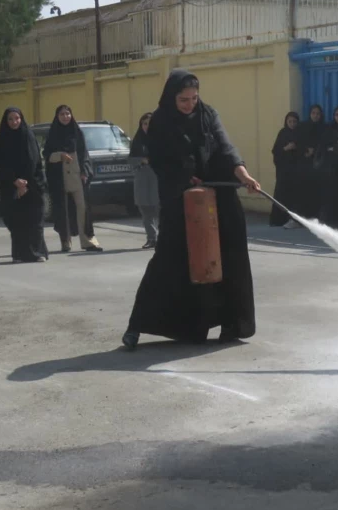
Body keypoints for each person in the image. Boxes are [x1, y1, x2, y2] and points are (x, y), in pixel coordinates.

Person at [122, 69, 260, 351]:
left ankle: (232, 324)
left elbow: (225, 146)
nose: (190, 104)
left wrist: (243, 175)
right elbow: (160, 161)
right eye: (184, 99)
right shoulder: (160, 121)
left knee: (230, 250)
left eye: (194, 98)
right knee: (169, 259)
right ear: (172, 96)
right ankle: (138, 326)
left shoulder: (208, 114)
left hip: (217, 192)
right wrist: (186, 179)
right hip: (179, 197)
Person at [43, 105, 102, 253]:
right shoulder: (52, 134)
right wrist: (59, 156)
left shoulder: (77, 132)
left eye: (68, 113)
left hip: (77, 177)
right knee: (63, 210)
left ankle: (87, 241)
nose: (65, 117)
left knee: (83, 209)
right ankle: (65, 241)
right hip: (60, 178)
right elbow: (47, 155)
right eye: (62, 114)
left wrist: (85, 171)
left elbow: (85, 155)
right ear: (57, 117)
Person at [0, 107, 49, 263]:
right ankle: (19, 254)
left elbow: (33, 161)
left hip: (32, 184)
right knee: (16, 221)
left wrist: (25, 184)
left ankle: (36, 252)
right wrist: (15, 182)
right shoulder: (3, 138)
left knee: (34, 220)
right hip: (10, 185)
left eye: (17, 118)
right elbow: (2, 163)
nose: (14, 122)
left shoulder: (28, 135)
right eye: (10, 119)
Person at [129, 112, 159, 249]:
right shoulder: (137, 141)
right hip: (142, 180)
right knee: (145, 210)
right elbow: (130, 160)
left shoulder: (162, 140)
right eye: (145, 123)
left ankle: (164, 238)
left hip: (158, 179)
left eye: (150, 123)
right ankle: (151, 238)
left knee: (159, 210)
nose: (147, 126)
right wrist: (141, 160)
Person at [269, 111, 302, 229]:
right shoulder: (282, 133)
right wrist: (286, 148)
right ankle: (278, 220)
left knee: (294, 195)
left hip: (296, 171)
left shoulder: (300, 134)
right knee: (281, 193)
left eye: (294, 121)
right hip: (283, 171)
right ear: (286, 122)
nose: (292, 124)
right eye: (290, 121)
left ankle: (292, 219)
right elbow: (275, 151)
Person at [298, 104, 327, 219]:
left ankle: (316, 216)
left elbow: (325, 143)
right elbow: (298, 142)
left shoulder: (324, 128)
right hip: (304, 163)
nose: (315, 116)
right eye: (313, 113)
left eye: (318, 113)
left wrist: (315, 151)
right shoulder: (303, 126)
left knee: (317, 191)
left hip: (318, 165)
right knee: (305, 191)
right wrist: (306, 150)